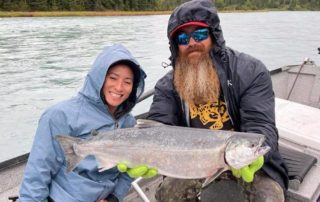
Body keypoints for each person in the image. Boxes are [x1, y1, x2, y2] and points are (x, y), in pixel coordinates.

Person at [147, 0, 289, 201]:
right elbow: (158, 128)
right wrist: (145, 157)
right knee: (168, 194)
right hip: (192, 162)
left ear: (214, 35)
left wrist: (258, 158)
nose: (191, 42)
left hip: (244, 159)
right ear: (175, 44)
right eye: (182, 37)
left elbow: (261, 126)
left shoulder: (250, 71)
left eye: (199, 34)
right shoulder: (166, 86)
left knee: (269, 197)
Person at [19, 44, 150, 202]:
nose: (119, 87)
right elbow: (37, 176)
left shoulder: (128, 122)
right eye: (113, 78)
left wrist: (114, 198)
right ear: (99, 77)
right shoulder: (59, 115)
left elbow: (127, 172)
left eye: (127, 82)